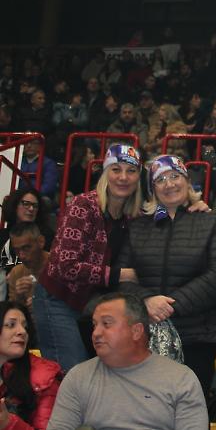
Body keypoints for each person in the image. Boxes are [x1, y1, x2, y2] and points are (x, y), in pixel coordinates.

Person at [116, 154, 216, 393]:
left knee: (189, 405)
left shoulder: (210, 220)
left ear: (187, 182)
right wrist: (147, 301)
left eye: (175, 176)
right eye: (160, 180)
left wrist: (169, 306)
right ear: (152, 189)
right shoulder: (137, 226)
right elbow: (122, 277)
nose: (169, 184)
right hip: (145, 334)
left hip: (197, 336)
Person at [34, 144, 143, 372]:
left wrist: (195, 204)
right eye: (116, 169)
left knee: (98, 372)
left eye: (131, 171)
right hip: (58, 299)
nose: (123, 177)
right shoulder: (83, 205)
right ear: (105, 173)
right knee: (72, 372)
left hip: (91, 306)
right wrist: (120, 275)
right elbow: (65, 266)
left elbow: (167, 211)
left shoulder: (133, 216)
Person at [46, 292, 208, 430]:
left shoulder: (180, 379)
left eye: (106, 324)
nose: (96, 333)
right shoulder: (78, 377)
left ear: (136, 331)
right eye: (95, 325)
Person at [0, 301, 62, 430]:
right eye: (11, 325)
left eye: (26, 327)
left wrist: (9, 423)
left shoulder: (44, 378)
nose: (22, 331)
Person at [0, 188, 54, 301]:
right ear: (15, 206)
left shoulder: (46, 236)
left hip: (34, 287)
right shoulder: (2, 236)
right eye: (26, 204)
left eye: (35, 206)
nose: (31, 209)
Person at [7, 223, 47, 308]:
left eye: (26, 248)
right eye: (16, 250)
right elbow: (12, 312)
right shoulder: (16, 273)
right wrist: (18, 298)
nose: (21, 256)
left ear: (41, 241)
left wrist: (46, 305)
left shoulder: (59, 267)